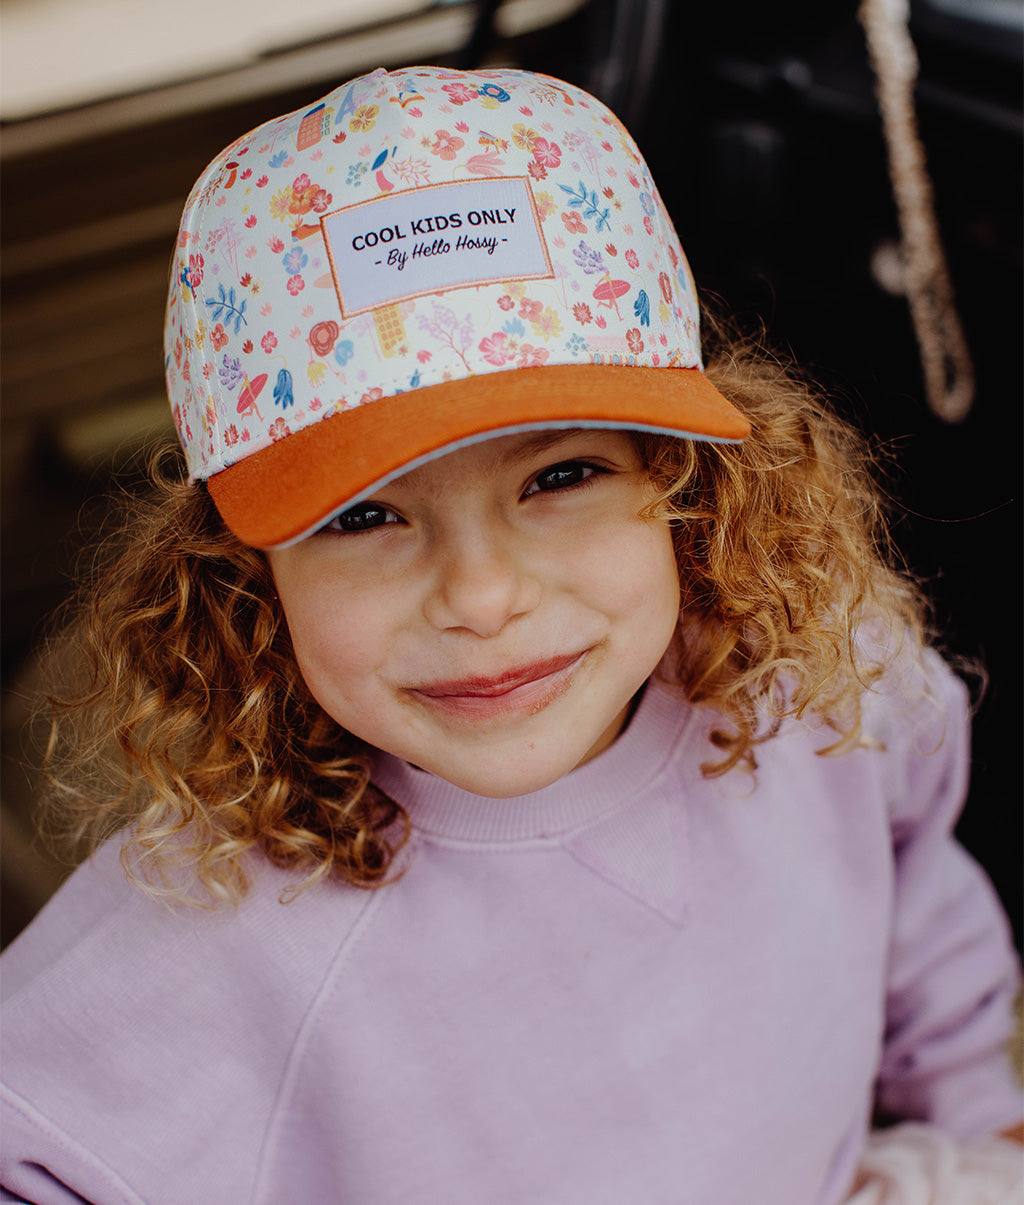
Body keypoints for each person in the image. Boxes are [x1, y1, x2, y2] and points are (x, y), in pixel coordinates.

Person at [1, 65, 1021, 1205]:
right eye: (365, 514)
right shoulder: (205, 924)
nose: (481, 597)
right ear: (240, 580)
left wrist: (978, 1109)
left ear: (691, 485)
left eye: (562, 473)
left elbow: (911, 886)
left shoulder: (831, 686)